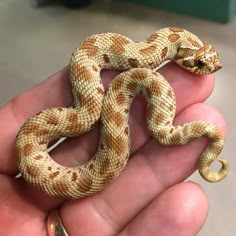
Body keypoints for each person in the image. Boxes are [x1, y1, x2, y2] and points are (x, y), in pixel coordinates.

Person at [0, 62, 225, 235]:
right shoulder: (128, 75)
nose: (206, 68)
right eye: (199, 64)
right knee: (92, 118)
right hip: (42, 154)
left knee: (158, 130)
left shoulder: (138, 78)